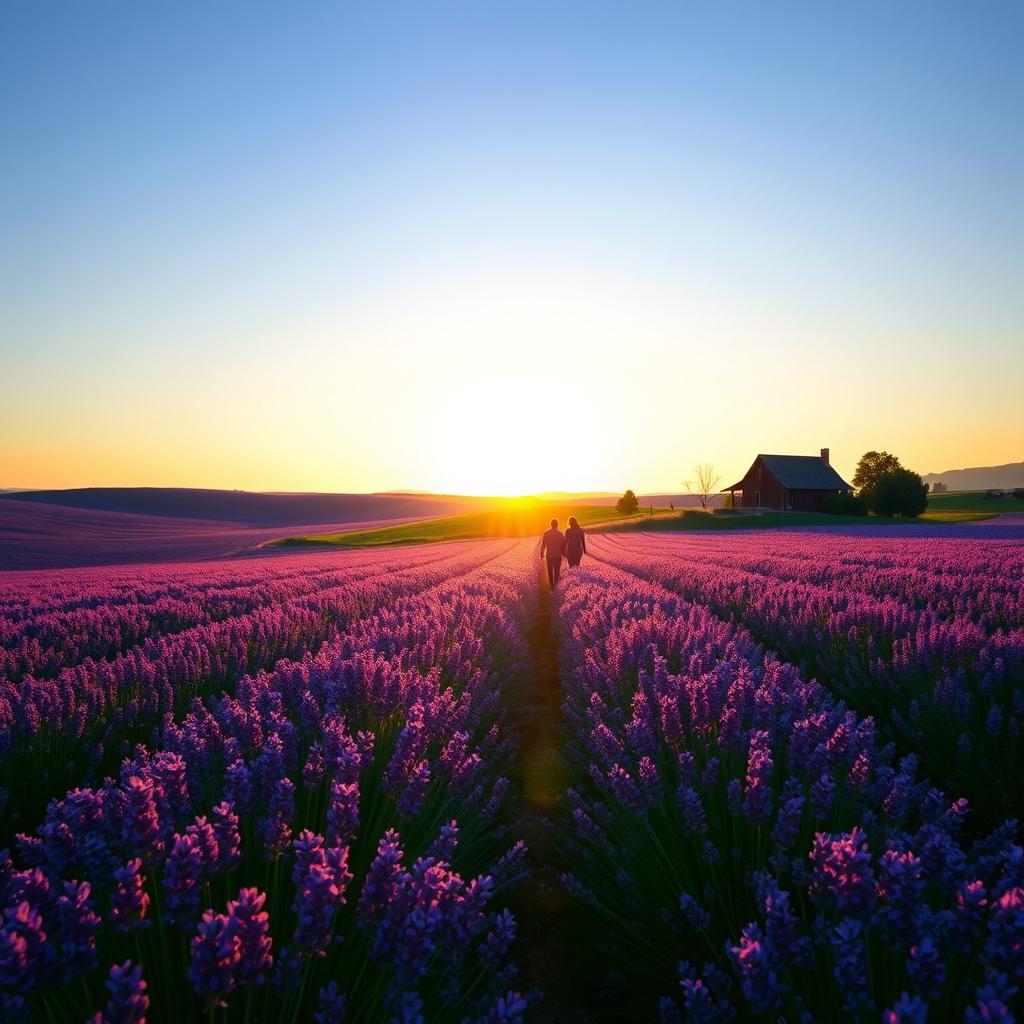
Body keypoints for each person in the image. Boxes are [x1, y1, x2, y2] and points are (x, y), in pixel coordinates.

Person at [540, 517, 565, 590]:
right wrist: (564, 554)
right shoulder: (560, 534)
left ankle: (552, 587)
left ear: (551, 525)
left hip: (549, 555)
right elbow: (563, 546)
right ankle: (556, 585)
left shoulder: (546, 533)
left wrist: (541, 553)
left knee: (550, 572)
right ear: (557, 525)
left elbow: (543, 545)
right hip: (558, 556)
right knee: (557, 571)